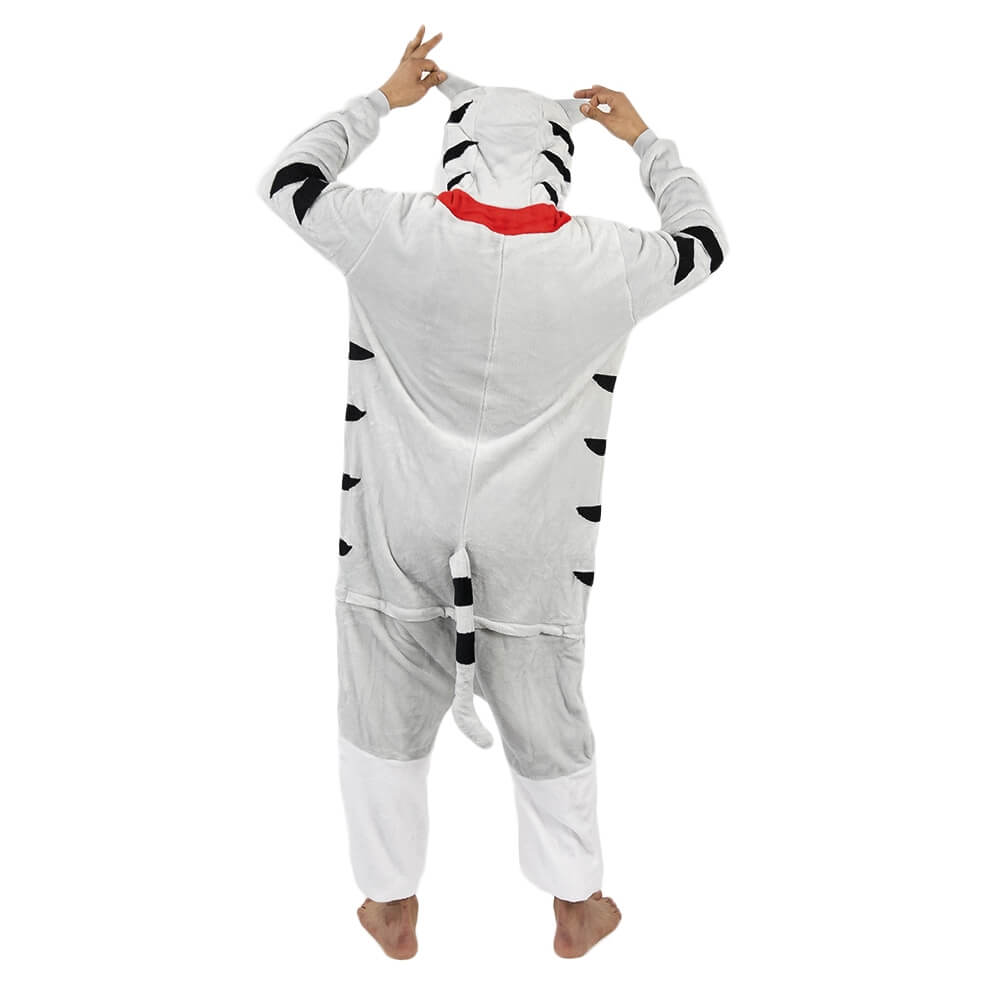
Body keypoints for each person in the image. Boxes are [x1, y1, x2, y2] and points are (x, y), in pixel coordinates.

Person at [258, 24, 726, 960]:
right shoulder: (609, 261)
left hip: (395, 520)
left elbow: (288, 183)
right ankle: (576, 902)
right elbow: (703, 245)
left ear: (457, 148)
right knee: (546, 701)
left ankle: (390, 902)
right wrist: (644, 140)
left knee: (380, 693)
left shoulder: (388, 232)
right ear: (557, 163)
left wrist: (382, 100)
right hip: (535, 540)